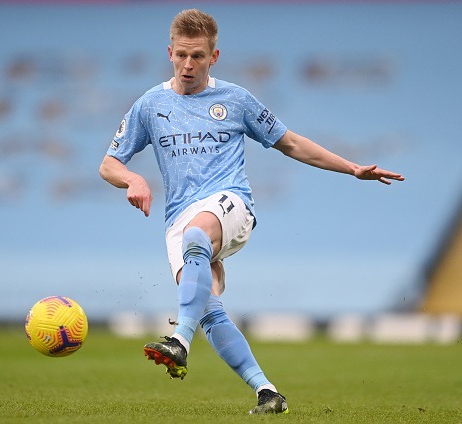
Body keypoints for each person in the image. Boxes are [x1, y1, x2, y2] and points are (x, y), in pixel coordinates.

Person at [99, 8, 404, 415]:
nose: (188, 65)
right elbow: (109, 164)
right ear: (169, 52)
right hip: (178, 217)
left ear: (215, 57)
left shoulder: (236, 100)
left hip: (230, 205)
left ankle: (180, 341)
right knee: (207, 308)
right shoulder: (150, 105)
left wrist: (351, 167)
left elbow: (290, 142)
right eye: (181, 56)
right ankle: (267, 392)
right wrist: (133, 180)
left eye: (199, 57)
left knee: (196, 238)